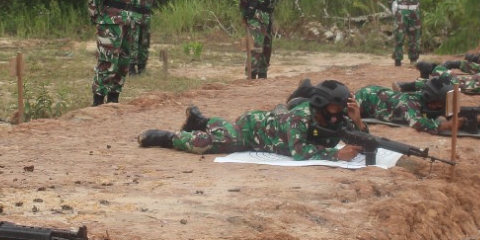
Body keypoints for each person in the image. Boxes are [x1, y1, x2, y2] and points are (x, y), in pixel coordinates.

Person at [137, 79, 365, 162]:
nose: (340, 113)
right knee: (209, 144)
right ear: (320, 105)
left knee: (222, 131)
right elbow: (299, 151)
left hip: (260, 128)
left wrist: (359, 123)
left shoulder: (334, 117)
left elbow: (362, 142)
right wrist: (335, 154)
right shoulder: (300, 117)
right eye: (337, 107)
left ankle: (200, 119)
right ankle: (166, 137)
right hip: (251, 130)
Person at [357, 78, 480, 134]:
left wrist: (479, 118)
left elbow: (456, 120)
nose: (441, 106)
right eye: (440, 102)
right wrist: (446, 125)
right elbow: (417, 123)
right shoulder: (408, 102)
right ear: (430, 99)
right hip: (368, 96)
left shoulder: (431, 106)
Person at [387, 0, 423, 67]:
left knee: (415, 37)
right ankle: (398, 59)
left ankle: (414, 59)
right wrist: (394, 8)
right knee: (399, 36)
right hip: (401, 12)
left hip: (414, 12)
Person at [131, 0, 157, 75]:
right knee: (133, 42)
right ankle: (131, 68)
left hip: (147, 16)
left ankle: (142, 67)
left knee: (145, 43)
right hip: (134, 14)